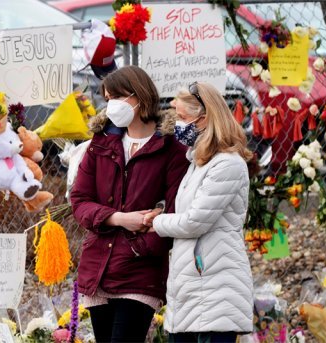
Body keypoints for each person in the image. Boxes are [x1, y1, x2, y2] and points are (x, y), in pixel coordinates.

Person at [70, 66, 189, 343]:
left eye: (119, 97)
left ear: (140, 97)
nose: (112, 105)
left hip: (139, 269)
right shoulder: (102, 142)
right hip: (98, 266)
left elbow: (175, 210)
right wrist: (120, 218)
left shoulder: (170, 147)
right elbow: (80, 200)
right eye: (108, 98)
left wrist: (141, 246)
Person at [144, 82, 254, 343]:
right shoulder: (198, 163)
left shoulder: (227, 164)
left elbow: (195, 221)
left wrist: (157, 221)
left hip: (215, 290)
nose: (178, 126)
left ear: (204, 119)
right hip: (196, 287)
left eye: (182, 118)